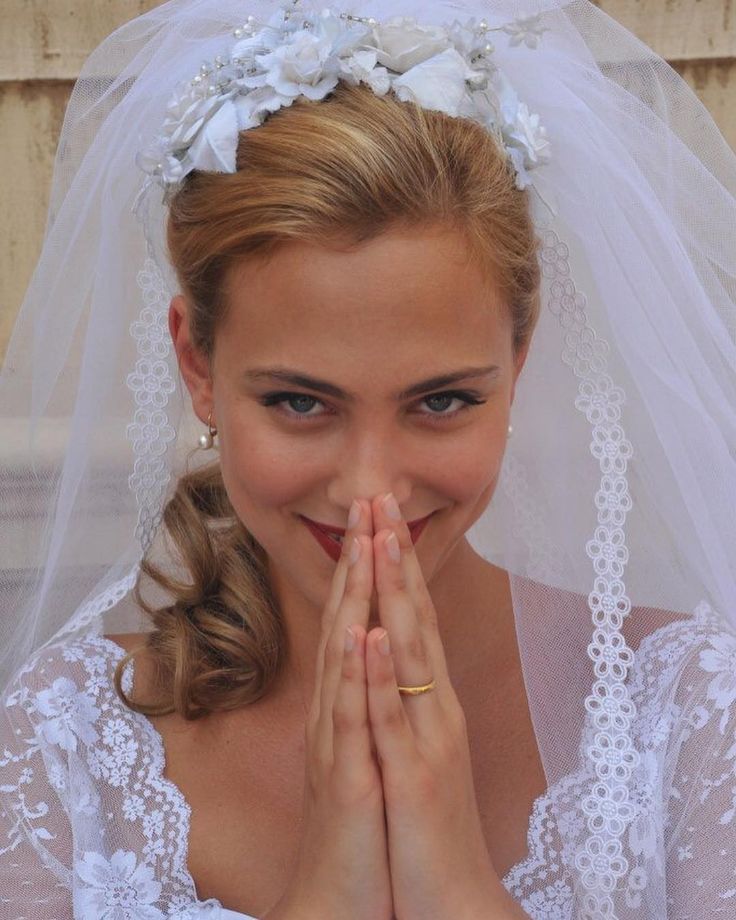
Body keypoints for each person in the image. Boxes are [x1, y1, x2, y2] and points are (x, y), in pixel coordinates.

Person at [1, 1, 735, 918]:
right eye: (300, 402)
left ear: (522, 354)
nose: (371, 488)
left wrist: (457, 882)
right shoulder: (66, 736)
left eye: (441, 401)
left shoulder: (692, 715)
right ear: (197, 363)